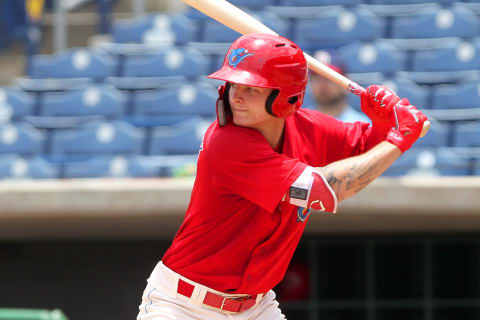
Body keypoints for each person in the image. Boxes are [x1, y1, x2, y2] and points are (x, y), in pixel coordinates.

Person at [136, 33, 428, 320]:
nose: (236, 95)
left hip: (256, 307)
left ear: (286, 96)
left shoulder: (308, 128)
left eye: (252, 88)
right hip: (183, 305)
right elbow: (326, 190)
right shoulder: (226, 142)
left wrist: (382, 123)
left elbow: (367, 148)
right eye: (233, 84)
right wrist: (399, 138)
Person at [308, 50, 370, 123]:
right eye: (316, 79)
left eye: (329, 78)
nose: (322, 85)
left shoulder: (362, 126)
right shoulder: (300, 122)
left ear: (347, 84)